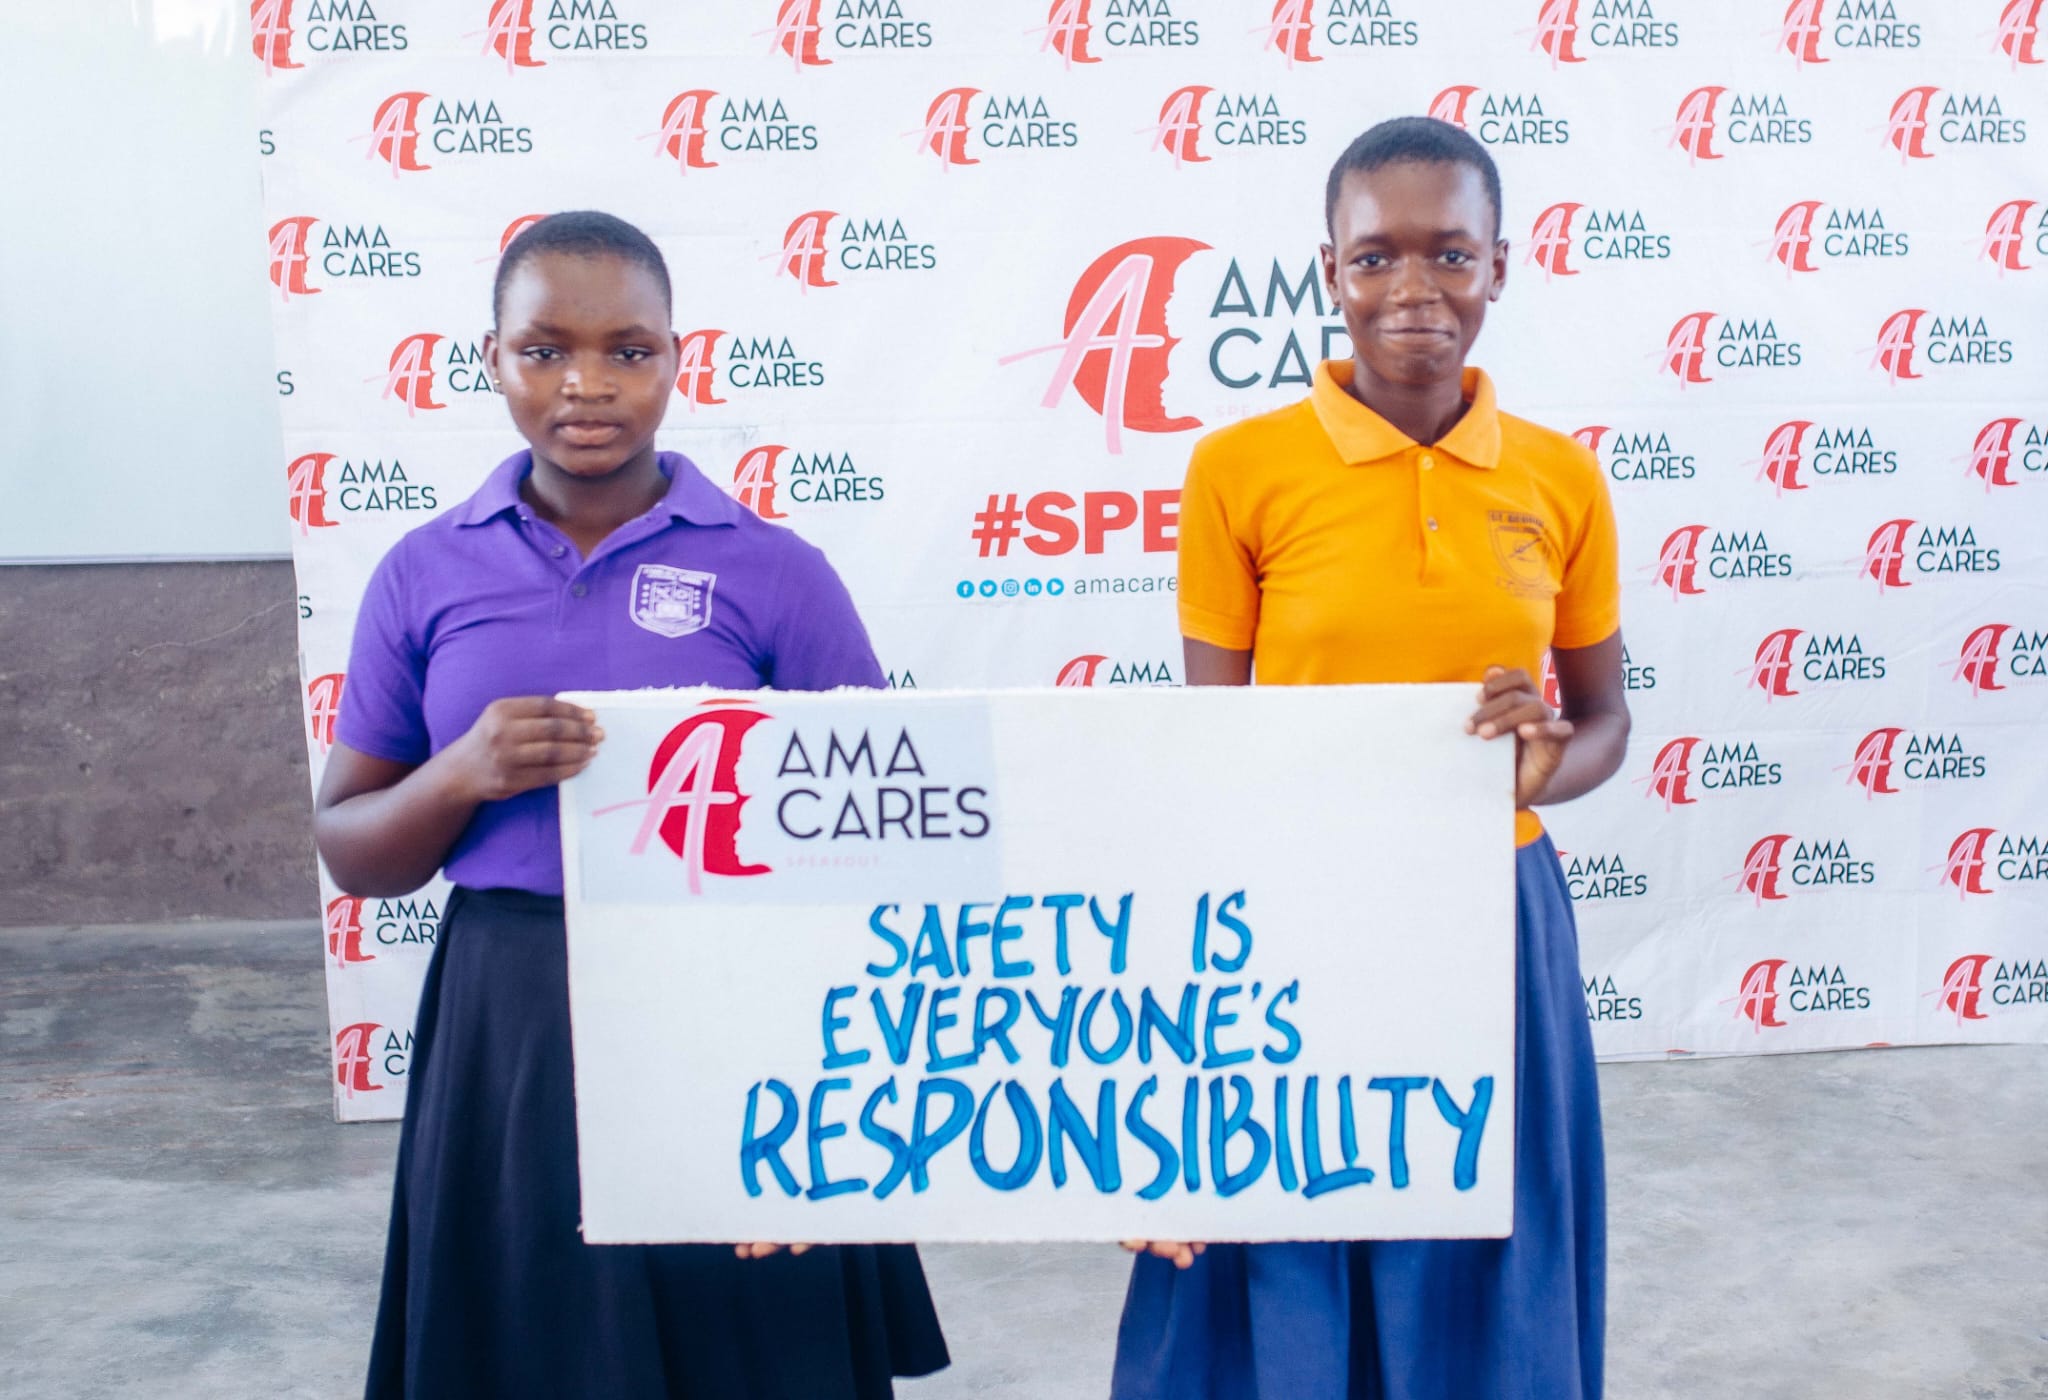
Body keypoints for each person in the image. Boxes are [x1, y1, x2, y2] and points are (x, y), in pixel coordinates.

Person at [314, 211, 950, 1399]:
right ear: (491, 358)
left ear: (675, 358)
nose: (586, 383)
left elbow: (883, 820)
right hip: (515, 1011)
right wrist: (461, 772)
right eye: (544, 349)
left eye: (628, 349)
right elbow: (354, 851)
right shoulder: (424, 570)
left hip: (734, 995)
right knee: (534, 1336)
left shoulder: (773, 568)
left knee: (751, 1332)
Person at [1110, 117, 1629, 1399]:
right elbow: (1212, 743)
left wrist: (1540, 767)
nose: (1412, 289)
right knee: (1282, 1203)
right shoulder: (1238, 468)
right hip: (1293, 905)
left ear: (1498, 265)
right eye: (1374, 256)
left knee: (1480, 1208)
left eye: (1449, 253)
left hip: (1491, 907)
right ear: (1328, 270)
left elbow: (1603, 720)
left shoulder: (1560, 478)